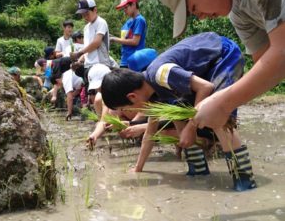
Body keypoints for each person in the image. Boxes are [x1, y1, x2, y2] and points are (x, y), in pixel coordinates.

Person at [101, 32, 257, 192]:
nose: (128, 113)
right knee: (178, 116)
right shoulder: (153, 96)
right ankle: (198, 171)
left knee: (218, 117)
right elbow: (150, 134)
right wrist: (138, 168)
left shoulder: (160, 74)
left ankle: (244, 179)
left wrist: (192, 126)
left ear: (132, 97)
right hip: (206, 69)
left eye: (125, 109)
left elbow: (206, 87)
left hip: (223, 55)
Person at [157, 0, 285, 130]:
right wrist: (219, 100)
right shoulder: (239, 15)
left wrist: (223, 103)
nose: (200, 17)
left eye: (194, 8)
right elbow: (267, 64)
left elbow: (281, 55)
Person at [110, 0, 147, 68]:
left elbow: (135, 41)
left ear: (133, 4)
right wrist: (111, 37)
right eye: (123, 8)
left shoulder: (139, 20)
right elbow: (125, 40)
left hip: (135, 61)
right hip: (124, 61)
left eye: (126, 7)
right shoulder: (127, 22)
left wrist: (114, 39)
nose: (124, 10)